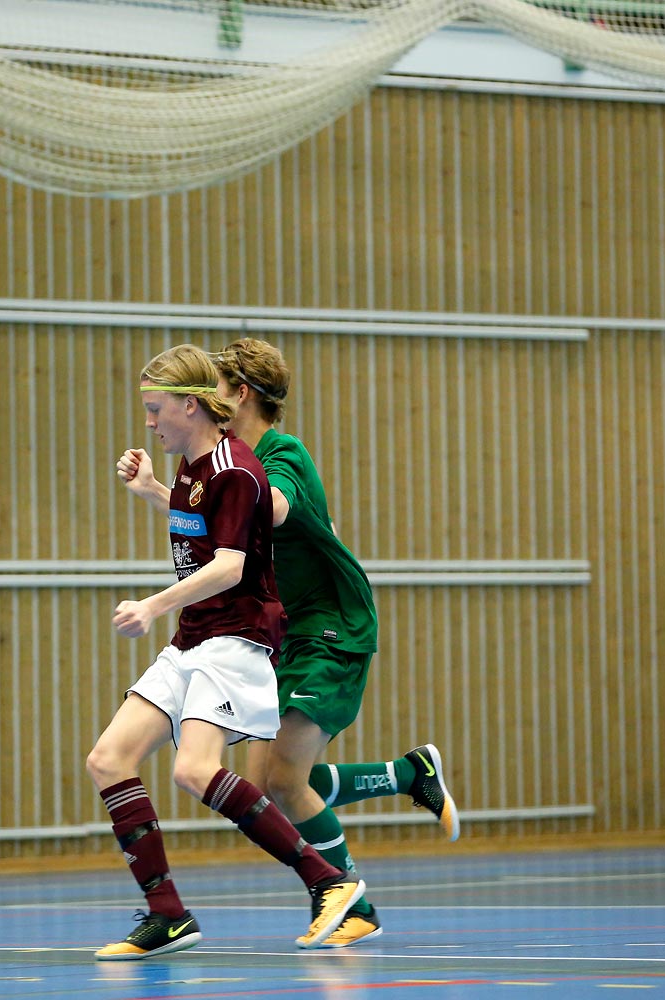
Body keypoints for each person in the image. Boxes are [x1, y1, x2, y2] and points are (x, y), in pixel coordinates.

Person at [88, 344, 365, 961]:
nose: (150, 422)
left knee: (194, 770)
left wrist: (152, 605)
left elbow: (231, 563)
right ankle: (168, 914)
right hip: (193, 638)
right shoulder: (192, 466)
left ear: (192, 405)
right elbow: (204, 523)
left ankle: (328, 879)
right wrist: (153, 489)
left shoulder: (238, 469)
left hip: (236, 639)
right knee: (109, 759)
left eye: (156, 410)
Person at [213, 337, 458, 948]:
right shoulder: (233, 456)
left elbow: (273, 506)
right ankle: (406, 774)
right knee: (267, 784)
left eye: (215, 387)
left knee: (286, 777)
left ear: (241, 393)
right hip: (287, 631)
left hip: (331, 625)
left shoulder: (279, 453)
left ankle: (350, 900)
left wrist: (228, 487)